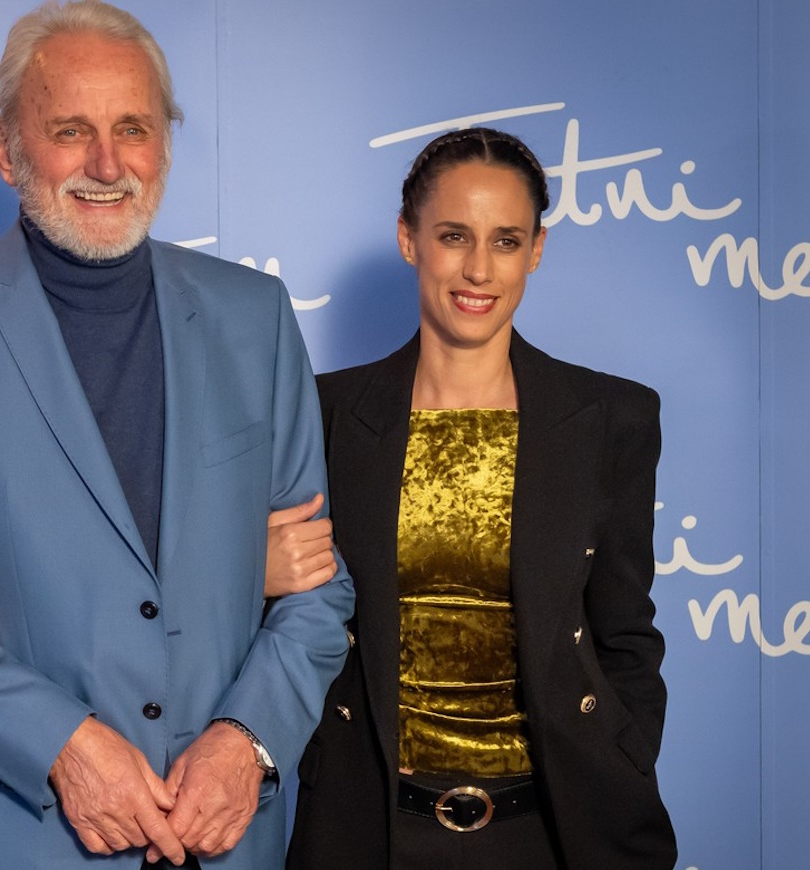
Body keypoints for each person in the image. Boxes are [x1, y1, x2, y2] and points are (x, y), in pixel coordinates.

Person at [0, 2, 355, 868]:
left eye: (133, 128)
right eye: (70, 131)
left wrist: (248, 741)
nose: (107, 164)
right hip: (13, 836)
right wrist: (61, 745)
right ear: (6, 147)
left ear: (165, 143)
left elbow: (317, 587)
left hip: (222, 837)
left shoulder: (255, 318)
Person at [283, 127, 677, 869]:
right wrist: (261, 570)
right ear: (409, 239)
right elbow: (282, 619)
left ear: (536, 250)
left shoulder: (611, 419)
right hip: (366, 830)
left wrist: (622, 763)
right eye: (454, 235)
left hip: (558, 833)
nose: (478, 269)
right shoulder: (324, 413)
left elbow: (625, 634)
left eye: (505, 241)